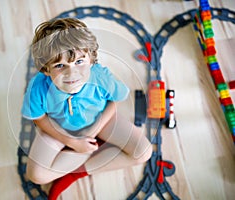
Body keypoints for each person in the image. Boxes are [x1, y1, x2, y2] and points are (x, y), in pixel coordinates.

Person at [21, 17, 152, 200]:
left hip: (100, 121)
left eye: (79, 62)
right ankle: (87, 152)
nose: (71, 73)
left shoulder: (100, 77)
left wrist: (92, 131)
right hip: (59, 127)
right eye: (60, 66)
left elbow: (115, 101)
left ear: (91, 59)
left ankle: (78, 172)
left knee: (143, 152)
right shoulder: (38, 88)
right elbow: (39, 118)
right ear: (46, 69)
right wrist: (72, 142)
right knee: (36, 176)